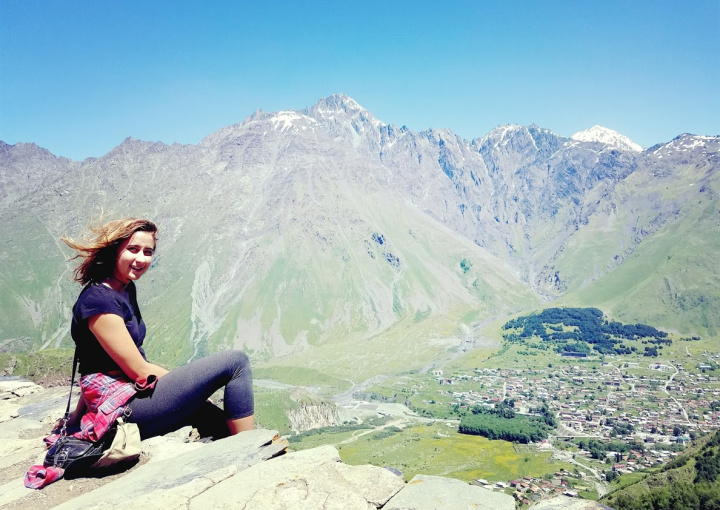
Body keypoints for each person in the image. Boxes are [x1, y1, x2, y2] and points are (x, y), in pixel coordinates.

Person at [58, 218, 254, 441]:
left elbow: (95, 362)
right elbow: (138, 371)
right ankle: (248, 447)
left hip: (130, 395)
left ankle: (244, 445)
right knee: (236, 362)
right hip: (123, 409)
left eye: (148, 252)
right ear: (114, 251)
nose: (141, 259)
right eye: (133, 249)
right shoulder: (100, 302)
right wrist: (191, 389)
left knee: (219, 423)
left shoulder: (123, 289)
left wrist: (75, 417)